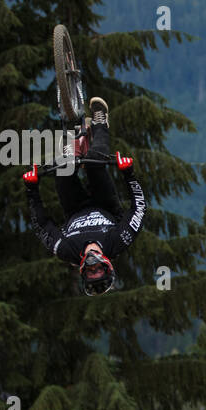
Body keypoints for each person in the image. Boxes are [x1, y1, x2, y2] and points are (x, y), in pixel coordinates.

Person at [23, 98, 145, 296]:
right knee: (95, 163)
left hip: (74, 207)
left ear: (82, 271)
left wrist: (32, 189)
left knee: (63, 167)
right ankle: (100, 123)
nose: (93, 266)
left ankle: (73, 142)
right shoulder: (119, 241)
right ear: (108, 267)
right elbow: (139, 209)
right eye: (98, 269)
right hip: (105, 203)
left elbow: (41, 226)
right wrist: (128, 174)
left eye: (90, 271)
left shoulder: (64, 250)